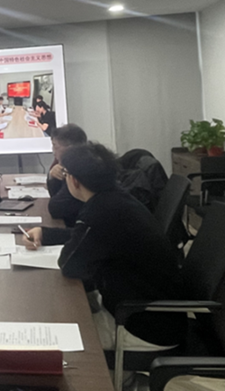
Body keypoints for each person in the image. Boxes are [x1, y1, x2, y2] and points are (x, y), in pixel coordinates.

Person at [25, 143, 185, 350]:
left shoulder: (100, 212)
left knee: (52, 330)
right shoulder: (117, 199)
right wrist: (45, 234)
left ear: (73, 180)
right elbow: (90, 237)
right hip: (155, 314)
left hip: (143, 326)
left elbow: (69, 265)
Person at [47, 124, 87, 227]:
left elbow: (56, 208)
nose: (53, 150)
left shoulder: (80, 170)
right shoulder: (66, 164)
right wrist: (53, 176)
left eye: (55, 146)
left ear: (70, 149)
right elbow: (55, 195)